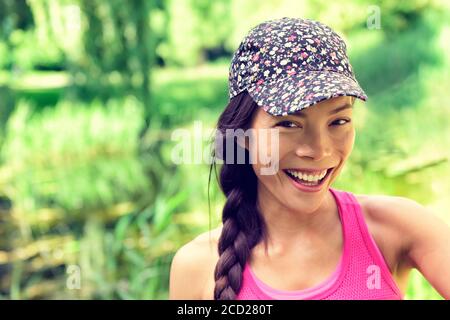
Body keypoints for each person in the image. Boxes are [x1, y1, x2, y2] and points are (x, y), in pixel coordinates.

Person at [169, 17, 450, 300]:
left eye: (338, 121)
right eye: (289, 124)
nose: (319, 150)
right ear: (242, 137)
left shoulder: (398, 229)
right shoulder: (196, 267)